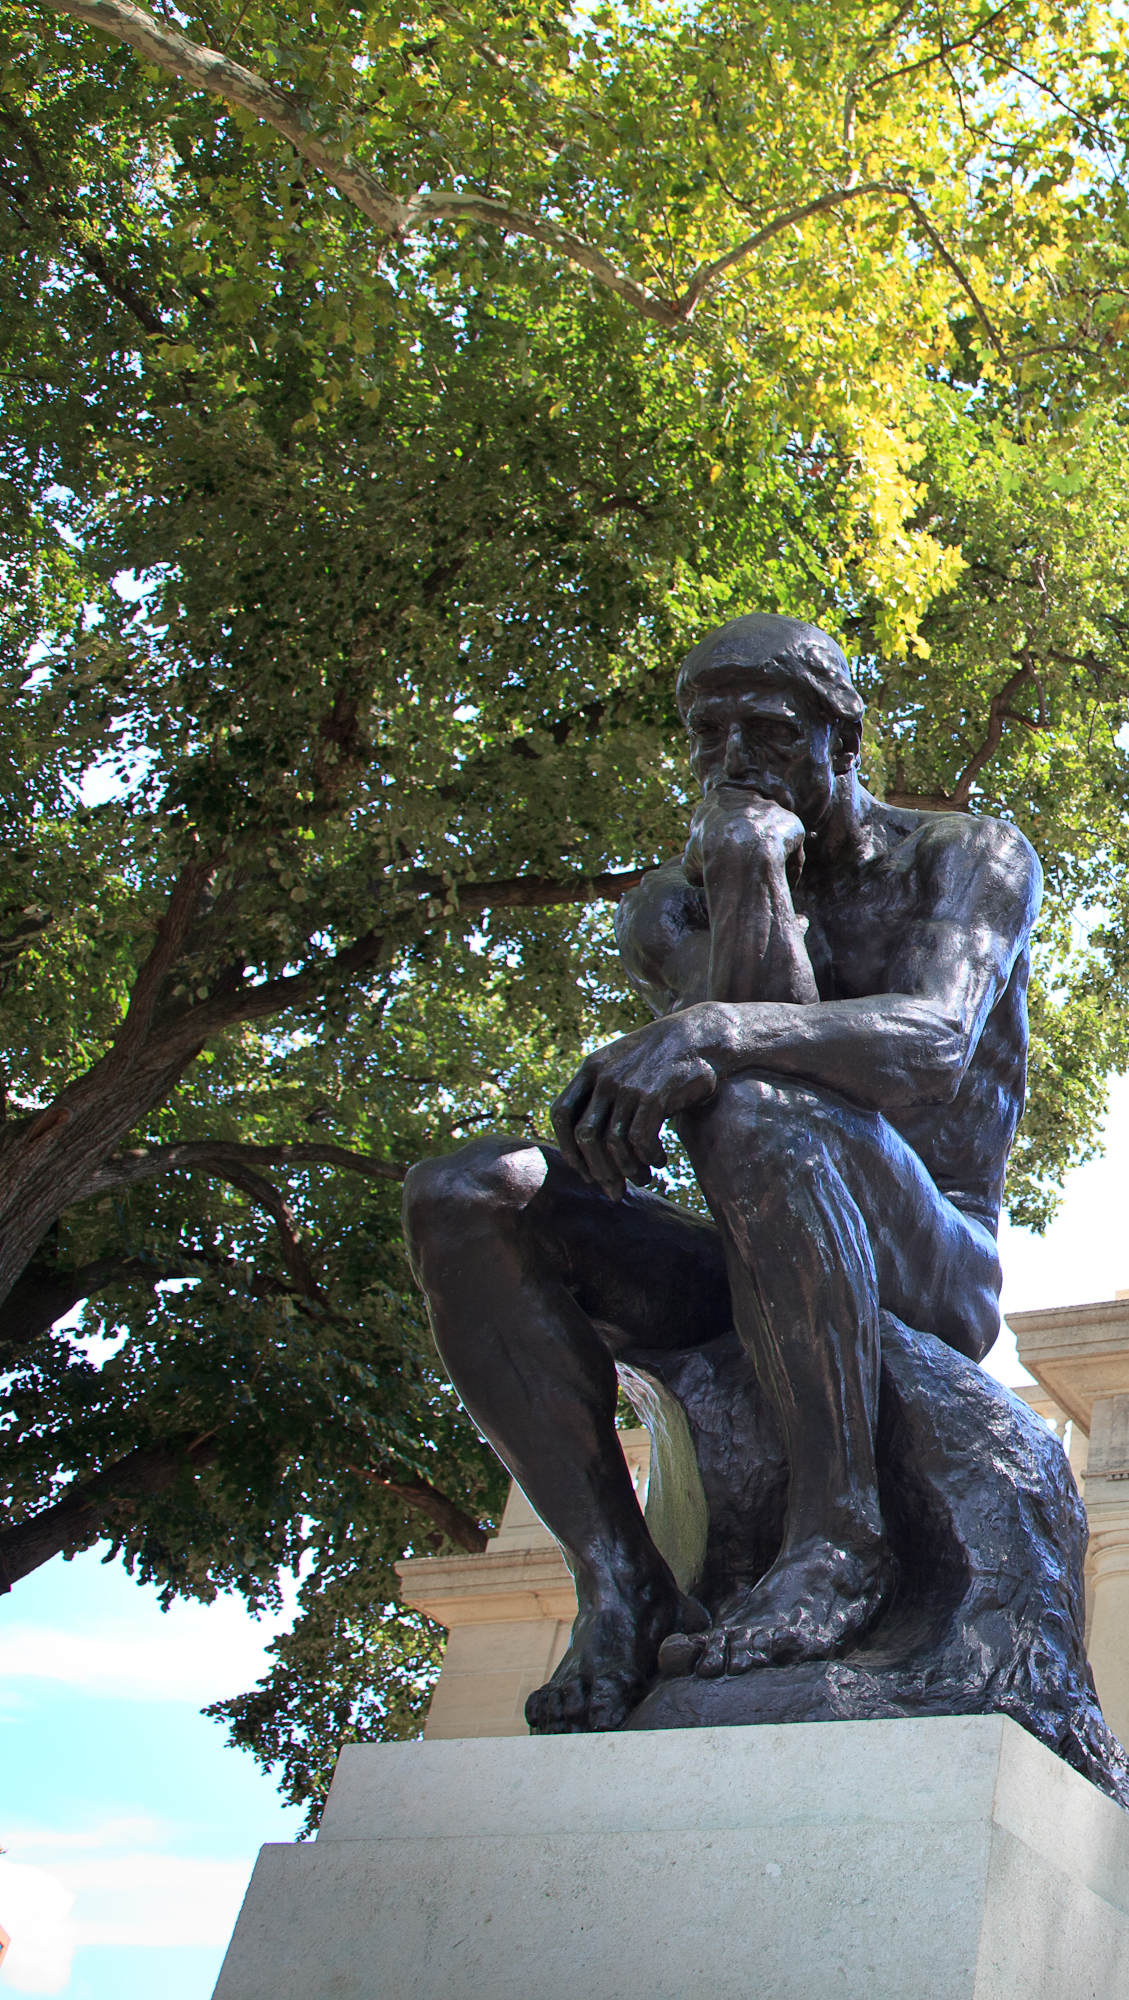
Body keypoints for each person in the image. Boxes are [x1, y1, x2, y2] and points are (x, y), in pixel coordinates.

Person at [398, 614, 1042, 1733]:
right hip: (759, 1236)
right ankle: (621, 1580)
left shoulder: (966, 856)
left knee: (751, 1085)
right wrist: (750, 868)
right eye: (707, 733)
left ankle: (839, 1537)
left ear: (843, 737)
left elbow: (930, 1048)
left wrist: (711, 1029)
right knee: (466, 1194)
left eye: (769, 728)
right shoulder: (670, 901)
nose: (734, 754)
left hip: (932, 1255)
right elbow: (751, 1039)